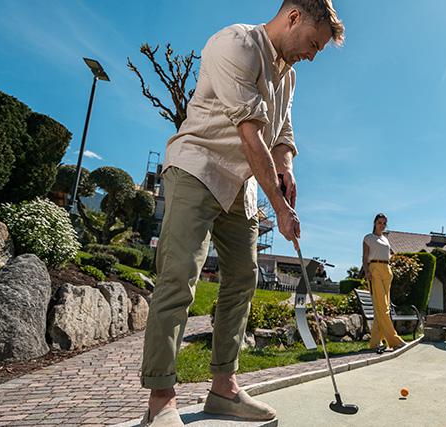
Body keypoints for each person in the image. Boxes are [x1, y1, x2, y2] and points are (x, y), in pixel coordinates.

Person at [138, 2, 345, 425]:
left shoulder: (289, 75)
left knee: (243, 280)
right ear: (293, 18)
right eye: (312, 43)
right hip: (198, 167)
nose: (312, 54)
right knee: (179, 277)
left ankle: (224, 389)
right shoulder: (236, 43)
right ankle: (161, 400)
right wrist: (281, 207)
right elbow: (250, 133)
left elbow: (280, 133)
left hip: (241, 186)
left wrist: (286, 166)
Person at [362, 214, 407, 353]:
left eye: (384, 223)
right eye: (380, 222)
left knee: (383, 307)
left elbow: (390, 253)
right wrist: (366, 271)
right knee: (382, 308)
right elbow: (364, 256)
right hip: (374, 269)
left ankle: (375, 343)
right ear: (375, 223)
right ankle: (394, 340)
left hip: (387, 271)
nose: (382, 225)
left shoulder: (385, 239)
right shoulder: (368, 238)